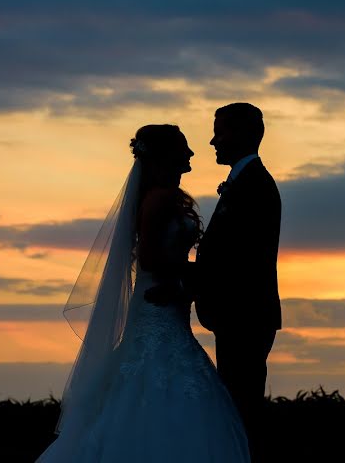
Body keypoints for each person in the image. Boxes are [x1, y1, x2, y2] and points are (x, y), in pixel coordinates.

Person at [37, 124, 250, 463]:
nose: (192, 153)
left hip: (167, 302)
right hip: (158, 305)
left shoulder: (165, 196)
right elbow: (151, 258)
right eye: (184, 147)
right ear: (168, 155)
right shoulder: (160, 199)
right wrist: (192, 275)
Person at [191, 102, 282, 460]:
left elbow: (238, 261)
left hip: (245, 316)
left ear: (244, 134)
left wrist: (184, 279)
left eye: (221, 131)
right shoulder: (244, 182)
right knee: (238, 406)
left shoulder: (255, 186)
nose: (213, 141)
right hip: (240, 316)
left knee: (242, 410)